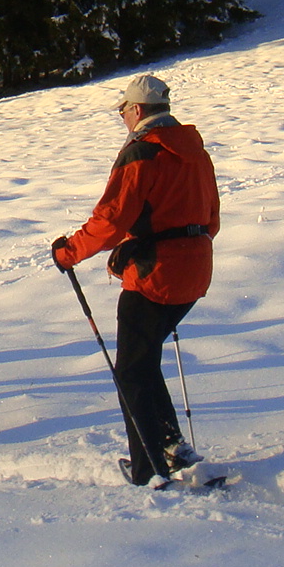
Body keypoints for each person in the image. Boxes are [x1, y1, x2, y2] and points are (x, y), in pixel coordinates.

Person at [51, 74, 220, 487]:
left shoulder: (141, 153)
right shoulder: (196, 152)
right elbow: (212, 216)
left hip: (154, 275)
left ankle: (150, 469)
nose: (123, 119)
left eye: (123, 111)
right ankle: (169, 446)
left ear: (138, 111)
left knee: (130, 370)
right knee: (142, 363)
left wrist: (68, 251)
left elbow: (111, 220)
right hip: (195, 269)